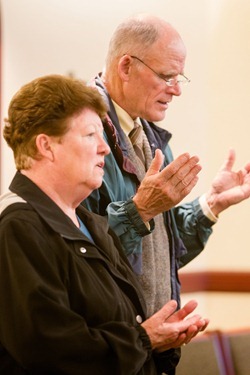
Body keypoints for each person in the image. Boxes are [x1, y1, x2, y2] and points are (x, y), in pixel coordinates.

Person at [0, 74, 208, 375]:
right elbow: (52, 351)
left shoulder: (90, 223)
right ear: (46, 146)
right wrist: (145, 339)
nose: (105, 149)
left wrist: (159, 340)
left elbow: (116, 322)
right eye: (89, 136)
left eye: (103, 135)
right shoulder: (18, 228)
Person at [84, 14, 250, 318]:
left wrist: (211, 205)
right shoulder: (82, 133)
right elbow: (77, 258)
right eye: (167, 76)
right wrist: (139, 211)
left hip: (150, 349)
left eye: (179, 78)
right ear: (126, 66)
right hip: (108, 347)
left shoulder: (150, 137)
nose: (176, 90)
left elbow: (159, 252)